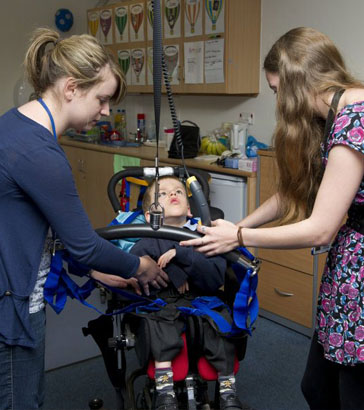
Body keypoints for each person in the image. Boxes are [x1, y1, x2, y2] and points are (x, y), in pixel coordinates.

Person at [180, 27, 364, 409]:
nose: (279, 102)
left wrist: (241, 239)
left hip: (358, 274)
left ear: (298, 82)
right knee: (318, 387)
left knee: (350, 393)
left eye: (278, 91)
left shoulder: (356, 117)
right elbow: (291, 194)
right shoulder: (332, 116)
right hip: (349, 271)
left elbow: (322, 227)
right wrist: (238, 227)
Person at [0, 27, 169, 410]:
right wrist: (138, 265)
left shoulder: (13, 126)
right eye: (103, 99)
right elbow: (84, 244)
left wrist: (93, 272)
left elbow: (28, 228)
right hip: (11, 306)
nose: (107, 111)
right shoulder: (39, 153)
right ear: (72, 88)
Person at [95, 176, 245, 410]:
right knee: (158, 325)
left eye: (178, 191)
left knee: (222, 323)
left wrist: (181, 255)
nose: (172, 194)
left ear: (188, 209)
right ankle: (165, 390)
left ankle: (227, 388)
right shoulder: (145, 242)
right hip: (162, 306)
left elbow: (214, 278)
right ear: (148, 217)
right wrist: (177, 274)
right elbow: (136, 274)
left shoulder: (203, 239)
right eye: (162, 194)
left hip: (201, 302)